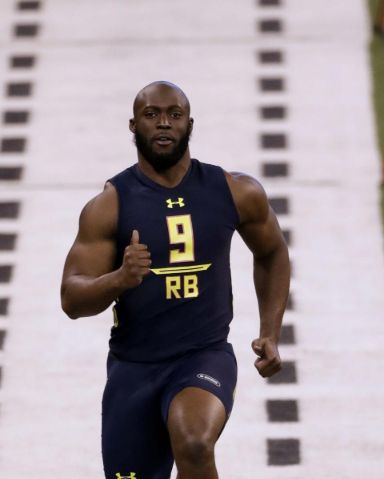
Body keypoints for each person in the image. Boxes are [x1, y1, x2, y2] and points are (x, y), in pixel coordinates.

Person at [60, 81, 290, 479]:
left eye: (174, 115)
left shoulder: (234, 191)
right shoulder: (110, 204)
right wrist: (119, 278)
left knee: (195, 441)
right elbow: (71, 298)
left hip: (203, 356)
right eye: (152, 115)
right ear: (133, 126)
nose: (164, 123)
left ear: (190, 124)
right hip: (134, 368)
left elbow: (272, 252)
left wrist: (270, 331)